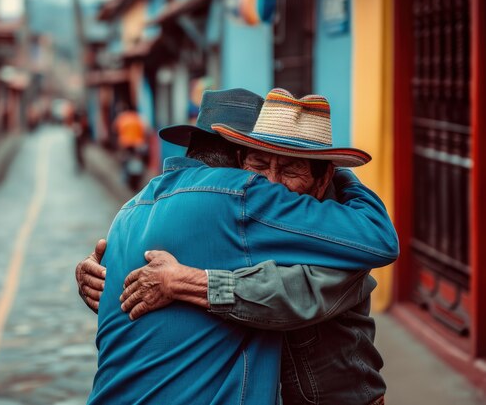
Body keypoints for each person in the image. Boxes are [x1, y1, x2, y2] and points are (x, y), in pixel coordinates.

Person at [82, 88, 398, 404]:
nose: (271, 185)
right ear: (240, 161)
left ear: (322, 177)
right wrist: (103, 275)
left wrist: (189, 283)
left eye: (290, 170)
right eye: (259, 165)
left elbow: (289, 294)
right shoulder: (233, 213)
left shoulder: (340, 241)